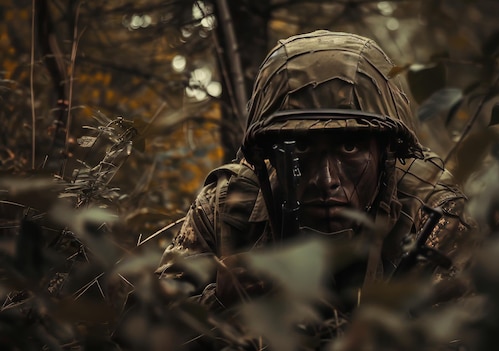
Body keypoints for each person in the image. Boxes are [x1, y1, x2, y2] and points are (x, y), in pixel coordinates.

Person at [156, 30, 467, 314]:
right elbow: (136, 328)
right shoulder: (228, 207)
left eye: (349, 148)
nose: (326, 181)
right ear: (268, 154)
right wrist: (219, 303)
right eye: (301, 148)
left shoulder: (433, 212)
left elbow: (488, 327)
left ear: (386, 150)